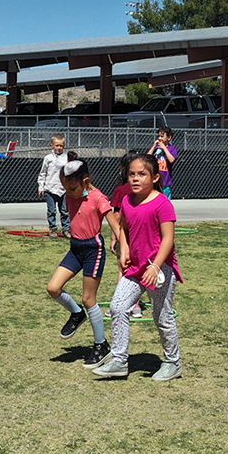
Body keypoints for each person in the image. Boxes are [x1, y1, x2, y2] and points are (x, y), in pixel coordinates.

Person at [93, 154, 183, 381]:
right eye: (132, 174)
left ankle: (173, 363)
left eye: (142, 174)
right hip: (135, 268)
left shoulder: (162, 203)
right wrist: (124, 249)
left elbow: (168, 239)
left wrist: (156, 267)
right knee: (118, 307)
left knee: (162, 316)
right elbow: (123, 227)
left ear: (154, 178)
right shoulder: (126, 201)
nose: (135, 178)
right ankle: (119, 360)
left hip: (159, 270)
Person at [46, 159, 121, 368]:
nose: (68, 193)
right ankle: (77, 314)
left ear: (86, 181)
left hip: (93, 250)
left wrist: (124, 250)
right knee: (53, 288)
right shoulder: (70, 195)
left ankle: (101, 345)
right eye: (65, 188)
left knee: (89, 299)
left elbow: (116, 226)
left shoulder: (98, 198)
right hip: (75, 248)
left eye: (71, 188)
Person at [111, 151, 145, 318]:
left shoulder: (121, 190)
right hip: (141, 236)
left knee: (123, 269)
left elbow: (116, 217)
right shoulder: (147, 190)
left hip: (128, 235)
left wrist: (114, 237)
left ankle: (126, 304)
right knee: (138, 268)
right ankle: (135, 305)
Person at [37, 134, 70, 238]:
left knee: (64, 210)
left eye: (61, 146)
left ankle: (66, 229)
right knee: (52, 211)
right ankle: (53, 229)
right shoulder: (48, 158)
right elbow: (43, 173)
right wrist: (41, 186)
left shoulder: (67, 158)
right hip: (50, 188)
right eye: (56, 145)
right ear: (52, 145)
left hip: (63, 189)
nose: (59, 148)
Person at [147, 126, 178, 199]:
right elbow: (147, 158)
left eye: (162, 136)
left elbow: (171, 160)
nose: (159, 138)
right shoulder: (156, 149)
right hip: (155, 180)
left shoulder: (172, 148)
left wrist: (164, 148)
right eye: (159, 136)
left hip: (165, 181)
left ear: (169, 138)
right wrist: (154, 146)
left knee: (165, 199)